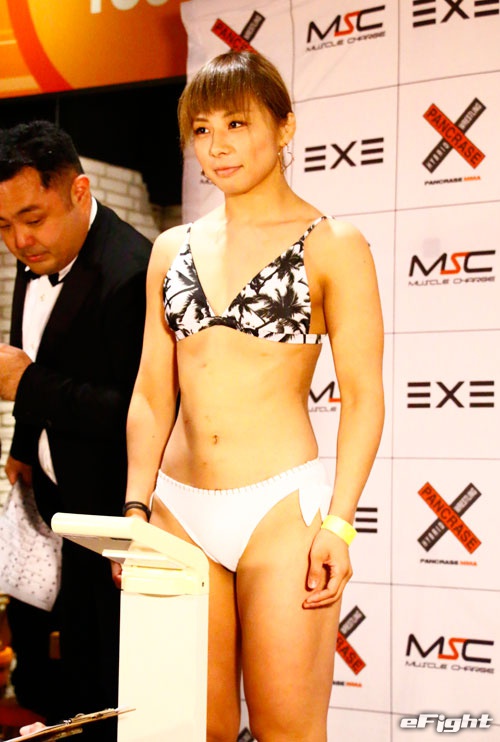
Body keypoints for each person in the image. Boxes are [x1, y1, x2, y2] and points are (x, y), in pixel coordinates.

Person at [123, 51, 384, 742]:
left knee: (287, 731)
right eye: (202, 129)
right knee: (185, 730)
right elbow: (152, 392)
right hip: (176, 510)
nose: (218, 145)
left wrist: (340, 524)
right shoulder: (171, 248)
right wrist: (136, 508)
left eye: (237, 123)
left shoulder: (333, 244)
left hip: (279, 512)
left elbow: (363, 397)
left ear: (285, 126)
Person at [0, 121, 152, 740]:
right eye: (3, 226)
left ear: (79, 191)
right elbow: (34, 350)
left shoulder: (133, 270)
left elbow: (140, 412)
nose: (19, 241)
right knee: (53, 679)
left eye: (32, 218)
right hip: (52, 503)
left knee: (115, 685)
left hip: (115, 516)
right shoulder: (35, 255)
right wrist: (22, 446)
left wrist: (28, 388)